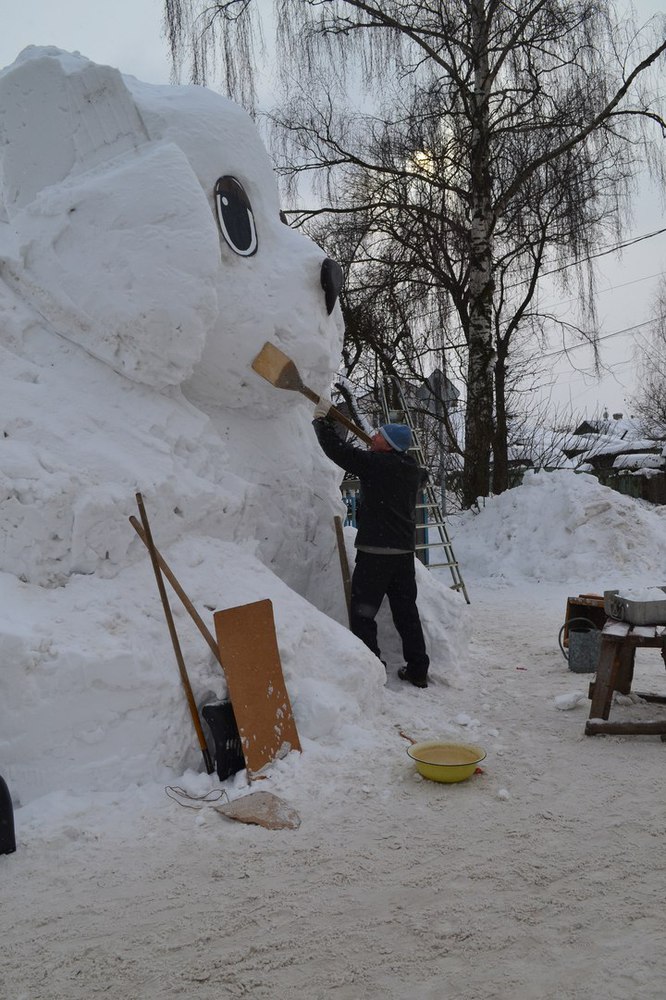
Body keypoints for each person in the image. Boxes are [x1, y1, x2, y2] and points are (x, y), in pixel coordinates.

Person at [313, 397, 430, 688]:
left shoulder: (375, 465)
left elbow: (338, 451)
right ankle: (418, 669)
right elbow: (421, 475)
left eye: (379, 435)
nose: (373, 436)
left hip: (375, 555)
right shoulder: (411, 470)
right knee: (407, 614)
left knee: (364, 613)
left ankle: (372, 666)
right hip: (403, 556)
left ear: (387, 445)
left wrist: (320, 422)